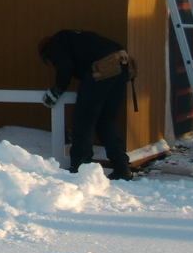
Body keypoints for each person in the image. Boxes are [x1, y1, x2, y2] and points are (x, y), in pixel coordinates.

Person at [39, 29, 134, 180]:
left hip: (103, 66)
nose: (53, 64)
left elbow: (65, 66)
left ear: (47, 55)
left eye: (50, 62)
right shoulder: (75, 40)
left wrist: (58, 89)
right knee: (105, 119)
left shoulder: (54, 44)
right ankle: (122, 167)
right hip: (122, 63)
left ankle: (81, 168)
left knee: (83, 119)